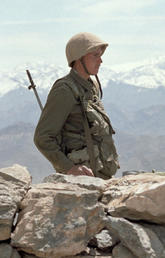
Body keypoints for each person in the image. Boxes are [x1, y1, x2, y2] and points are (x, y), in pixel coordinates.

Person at [34, 32, 119, 179]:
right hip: (80, 181)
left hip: (100, 176)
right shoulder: (64, 90)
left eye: (100, 55)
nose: (100, 61)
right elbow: (43, 137)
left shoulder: (92, 86)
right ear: (79, 57)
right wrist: (69, 168)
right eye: (95, 55)